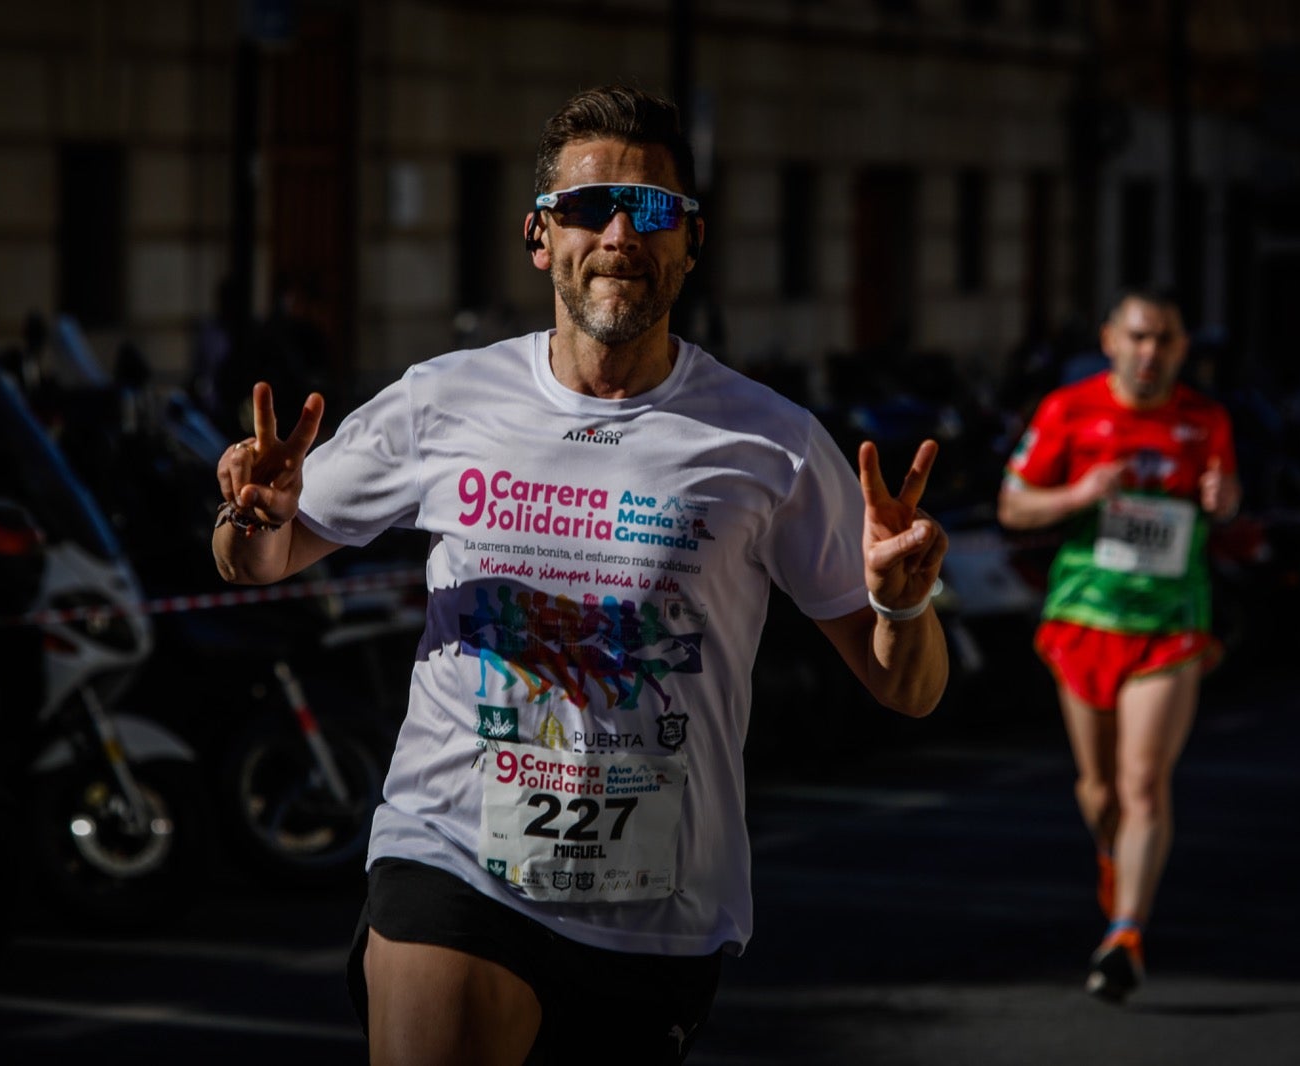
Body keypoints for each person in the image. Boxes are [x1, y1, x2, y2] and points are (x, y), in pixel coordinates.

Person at [211, 83, 950, 1065]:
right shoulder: (445, 401)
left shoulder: (769, 444)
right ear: (539, 236)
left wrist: (905, 604)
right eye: (588, 207)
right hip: (453, 858)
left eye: (652, 211)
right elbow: (257, 561)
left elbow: (908, 688)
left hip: (657, 913)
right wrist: (249, 517)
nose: (619, 234)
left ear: (692, 241)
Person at [997, 286, 1241, 1004]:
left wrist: (1223, 500)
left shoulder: (1205, 419)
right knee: (1101, 789)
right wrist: (1078, 495)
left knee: (1142, 781)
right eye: (1138, 336)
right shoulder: (1067, 410)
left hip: (1169, 622)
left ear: (1182, 347)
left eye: (1164, 339)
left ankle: (1125, 934)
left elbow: (1226, 499)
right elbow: (1012, 505)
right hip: (1085, 616)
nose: (1149, 352)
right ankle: (1111, 851)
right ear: (1109, 340)